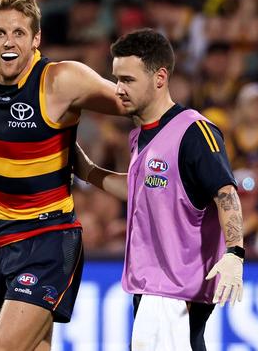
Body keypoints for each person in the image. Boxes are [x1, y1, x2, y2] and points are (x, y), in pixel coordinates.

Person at [0, 0, 127, 350]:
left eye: (19, 33)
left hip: (50, 239)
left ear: (36, 37)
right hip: (4, 239)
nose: (9, 43)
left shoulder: (61, 80)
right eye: (0, 33)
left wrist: (178, 139)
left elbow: (131, 102)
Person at [75, 29, 244, 351]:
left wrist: (235, 252)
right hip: (152, 286)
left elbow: (226, 192)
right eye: (116, 79)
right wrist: (88, 171)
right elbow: (141, 191)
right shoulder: (141, 136)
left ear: (160, 77)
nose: (118, 89)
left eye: (128, 80)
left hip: (176, 290)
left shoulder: (194, 131)